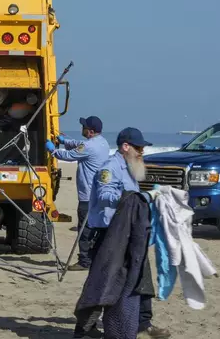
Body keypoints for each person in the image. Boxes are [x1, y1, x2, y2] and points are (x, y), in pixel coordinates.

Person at [72, 127, 170, 339]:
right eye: (139, 148)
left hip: (128, 235)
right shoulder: (109, 168)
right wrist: (139, 198)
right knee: (102, 284)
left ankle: (143, 323)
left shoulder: (129, 167)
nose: (141, 152)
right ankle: (84, 330)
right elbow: (106, 194)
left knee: (140, 276)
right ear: (126, 146)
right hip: (109, 236)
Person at [45, 116, 109, 270]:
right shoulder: (102, 142)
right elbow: (79, 145)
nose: (82, 128)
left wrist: (52, 150)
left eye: (84, 127)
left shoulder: (89, 147)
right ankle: (95, 258)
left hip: (88, 196)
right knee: (96, 228)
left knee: (85, 230)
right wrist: (63, 141)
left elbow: (68, 155)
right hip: (99, 195)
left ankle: (84, 262)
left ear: (91, 131)